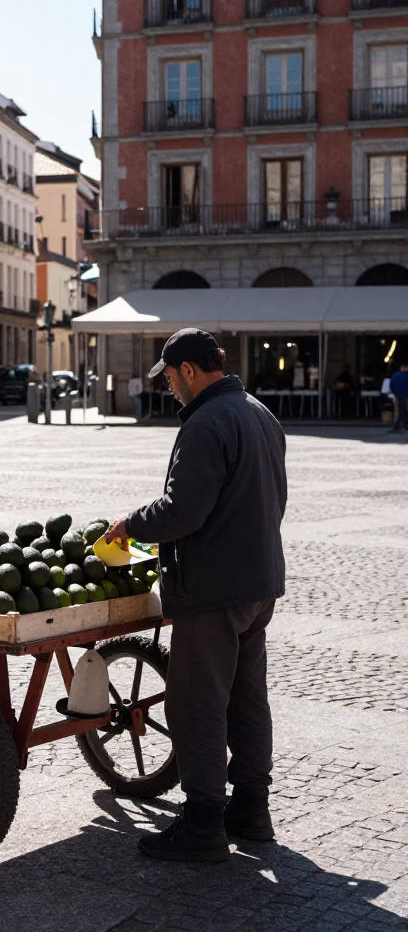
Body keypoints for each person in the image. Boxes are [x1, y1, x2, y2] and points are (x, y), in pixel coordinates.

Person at [105, 327, 287, 863]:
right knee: (248, 697)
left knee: (199, 703)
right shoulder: (259, 412)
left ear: (189, 370)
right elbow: (276, 498)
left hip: (214, 588)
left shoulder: (207, 422)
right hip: (258, 583)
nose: (171, 390)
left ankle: (205, 821)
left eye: (172, 379)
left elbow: (183, 510)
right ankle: (252, 809)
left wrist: (130, 524)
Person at [389, 361, 408, 433]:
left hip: (398, 395)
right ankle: (403, 426)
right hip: (404, 395)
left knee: (400, 412)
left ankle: (397, 426)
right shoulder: (402, 376)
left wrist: (395, 393)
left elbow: (391, 385)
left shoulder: (395, 375)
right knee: (404, 411)